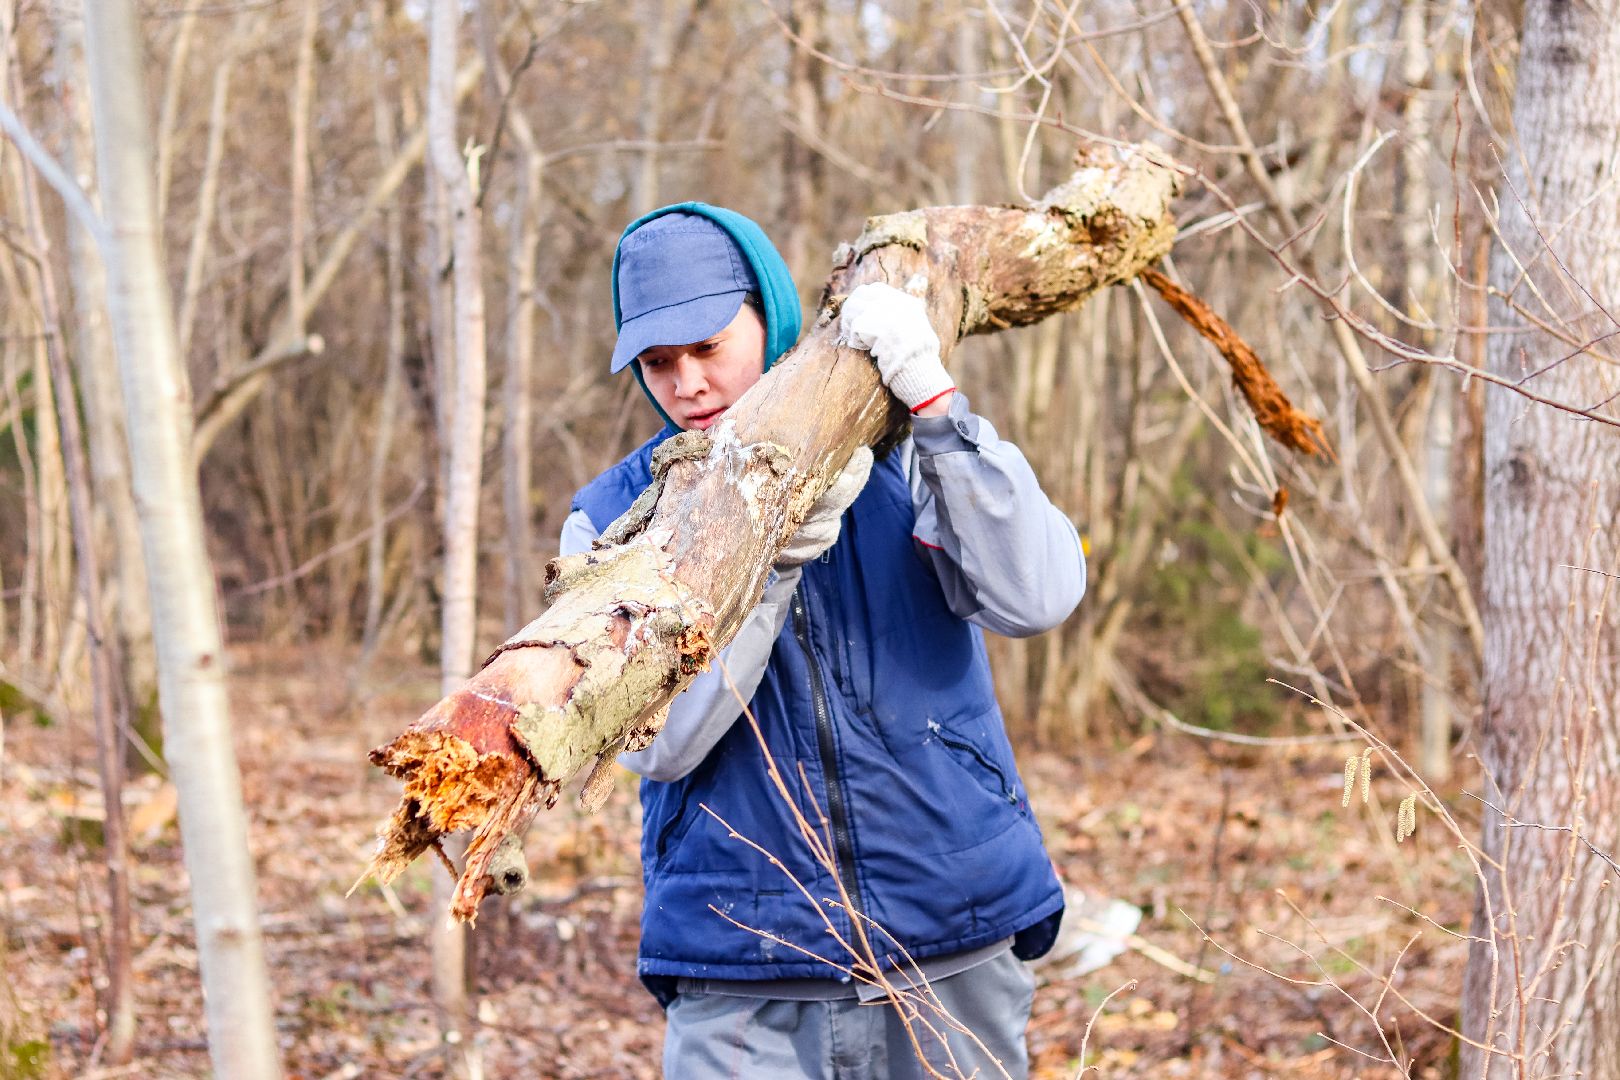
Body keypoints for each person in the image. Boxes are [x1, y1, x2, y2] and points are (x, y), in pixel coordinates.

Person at [560, 204, 1087, 1079]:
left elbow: (1036, 597)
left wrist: (934, 404)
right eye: (659, 362)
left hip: (949, 935)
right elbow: (661, 746)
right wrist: (762, 567)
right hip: (740, 968)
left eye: (709, 347)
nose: (688, 382)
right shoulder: (610, 520)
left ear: (769, 319)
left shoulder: (902, 452)